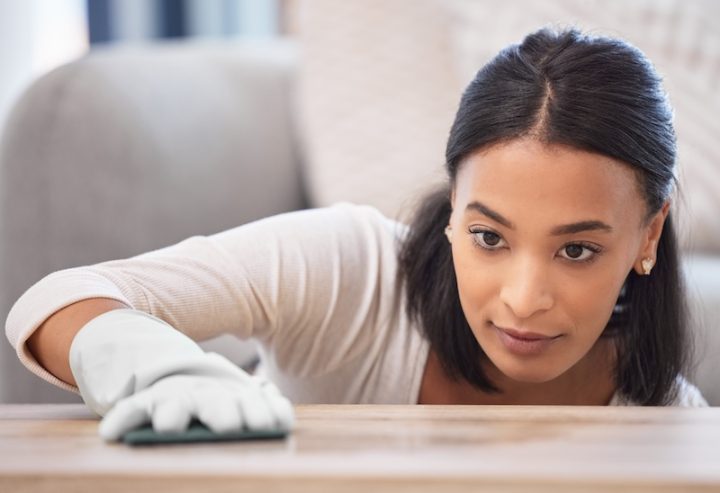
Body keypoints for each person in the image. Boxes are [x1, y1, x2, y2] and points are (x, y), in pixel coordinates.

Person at [5, 28, 708, 441]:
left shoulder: (668, 424)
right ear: (455, 203)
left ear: (647, 237)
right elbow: (63, 297)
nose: (524, 301)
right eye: (489, 236)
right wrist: (150, 364)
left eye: (576, 250)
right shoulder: (353, 268)